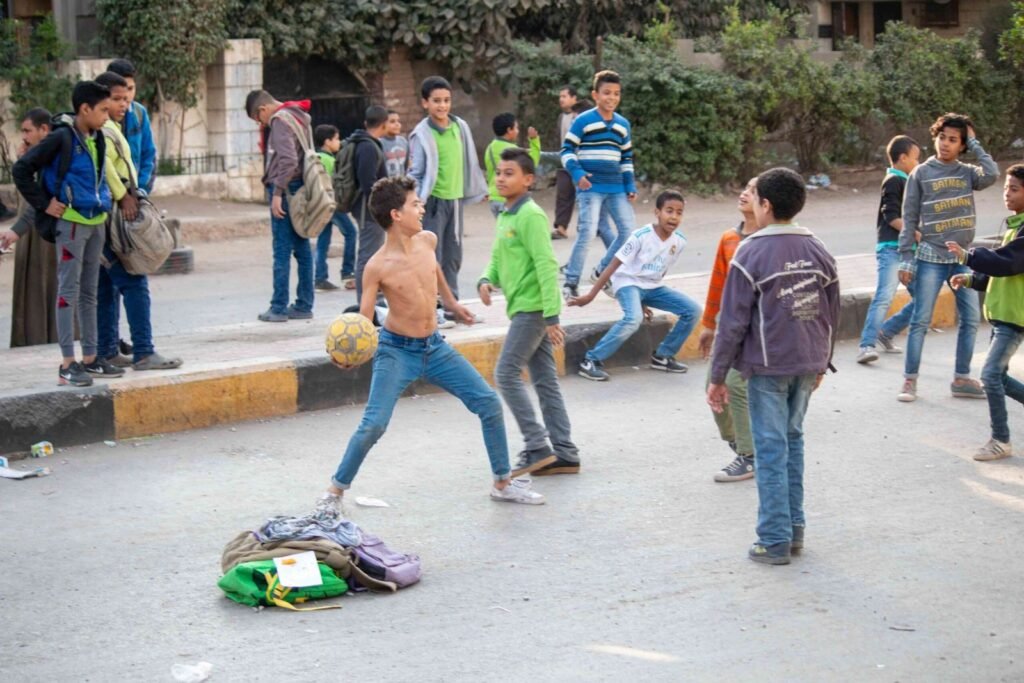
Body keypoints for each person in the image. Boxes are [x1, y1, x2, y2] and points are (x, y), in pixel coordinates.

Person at [316, 175, 546, 514]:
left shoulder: (428, 240)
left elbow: (434, 271)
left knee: (488, 403)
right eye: (415, 204)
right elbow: (364, 321)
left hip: (435, 348)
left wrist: (451, 304)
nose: (422, 208)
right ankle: (333, 492)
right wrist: (350, 356)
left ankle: (502, 483)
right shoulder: (376, 266)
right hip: (396, 351)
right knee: (374, 424)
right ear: (396, 215)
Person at [707, 168, 839, 566]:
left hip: (766, 367)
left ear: (765, 205)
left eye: (755, 197)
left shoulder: (750, 252)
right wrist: (823, 362)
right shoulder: (818, 249)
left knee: (769, 450)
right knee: (792, 441)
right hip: (807, 363)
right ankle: (794, 530)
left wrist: (717, 377)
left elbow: (732, 323)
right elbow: (831, 313)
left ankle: (773, 539)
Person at [479, 147, 581, 477]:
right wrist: (486, 279)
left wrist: (552, 317)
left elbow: (546, 265)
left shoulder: (531, 215)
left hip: (533, 309)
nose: (501, 178)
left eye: (509, 173)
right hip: (522, 307)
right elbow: (498, 256)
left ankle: (537, 445)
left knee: (505, 374)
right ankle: (564, 452)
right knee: (545, 381)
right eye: (498, 173)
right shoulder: (506, 214)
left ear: (528, 180)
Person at [13, 81, 114, 387]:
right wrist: (45, 204)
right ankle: (67, 364)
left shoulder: (97, 137)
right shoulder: (61, 138)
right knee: (68, 292)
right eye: (103, 110)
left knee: (89, 292)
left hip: (96, 220)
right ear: (85, 109)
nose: (107, 116)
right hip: (70, 224)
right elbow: (21, 170)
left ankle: (91, 358)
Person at [896, 112, 998, 402]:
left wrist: (975, 143)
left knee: (971, 318)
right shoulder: (921, 173)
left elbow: (992, 174)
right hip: (930, 256)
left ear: (962, 145)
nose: (945, 144)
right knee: (920, 320)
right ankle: (909, 380)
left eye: (953, 140)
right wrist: (906, 258)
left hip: (962, 258)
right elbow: (909, 217)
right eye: (942, 137)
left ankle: (961, 378)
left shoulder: (967, 173)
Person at [93, 71, 182, 372]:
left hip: (106, 219)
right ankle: (143, 351)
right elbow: (106, 167)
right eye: (116, 99)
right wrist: (124, 196)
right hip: (112, 220)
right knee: (134, 282)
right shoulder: (103, 130)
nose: (124, 104)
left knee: (107, 287)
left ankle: (107, 351)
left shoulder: (110, 126)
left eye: (126, 98)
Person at [569, 189, 701, 381]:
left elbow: (661, 270)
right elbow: (612, 265)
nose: (674, 217)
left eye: (679, 212)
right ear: (657, 212)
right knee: (633, 319)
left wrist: (643, 301)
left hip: (652, 287)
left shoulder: (679, 241)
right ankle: (591, 360)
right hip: (627, 282)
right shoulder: (641, 236)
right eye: (669, 211)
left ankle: (663, 356)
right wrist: (590, 296)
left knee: (693, 310)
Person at [947, 164, 1024, 462]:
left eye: (1014, 189)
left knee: (989, 375)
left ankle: (1000, 440)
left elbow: (1007, 263)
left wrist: (969, 257)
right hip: (1003, 314)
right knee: (999, 377)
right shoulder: (1016, 226)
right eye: (1006, 188)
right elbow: (1002, 272)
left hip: (1014, 318)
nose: (1007, 193)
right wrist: (971, 279)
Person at [698, 178, 760, 483]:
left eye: (753, 191)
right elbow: (717, 284)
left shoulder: (770, 240)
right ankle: (739, 442)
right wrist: (709, 325)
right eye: (744, 188)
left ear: (766, 202)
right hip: (727, 326)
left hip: (756, 329)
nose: (744, 193)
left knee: (734, 385)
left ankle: (749, 456)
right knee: (712, 384)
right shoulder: (728, 239)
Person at [408, 76, 488, 302]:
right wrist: (414, 201)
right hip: (432, 201)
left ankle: (451, 302)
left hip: (455, 200)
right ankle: (432, 303)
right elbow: (416, 171)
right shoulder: (421, 133)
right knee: (432, 255)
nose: (442, 105)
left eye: (446, 100)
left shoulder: (460, 127)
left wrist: (478, 188)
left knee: (453, 254)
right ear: (425, 103)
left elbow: (470, 161)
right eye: (436, 101)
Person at [560, 70, 636, 300]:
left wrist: (630, 184)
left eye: (616, 93)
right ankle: (571, 282)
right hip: (590, 187)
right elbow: (566, 150)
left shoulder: (623, 125)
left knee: (628, 233)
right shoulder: (583, 120)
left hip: (616, 188)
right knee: (587, 233)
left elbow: (626, 158)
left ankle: (602, 272)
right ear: (595, 95)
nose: (611, 98)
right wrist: (577, 173)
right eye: (606, 93)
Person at [245, 89, 314, 323]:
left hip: (286, 191)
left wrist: (277, 192)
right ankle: (304, 304)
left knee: (282, 250)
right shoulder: (298, 115)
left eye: (258, 119)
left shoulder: (279, 121)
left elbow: (288, 160)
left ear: (262, 109)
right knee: (302, 248)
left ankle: (278, 307)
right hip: (300, 187)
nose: (261, 124)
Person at [856, 136, 921, 365]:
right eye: (915, 158)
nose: (918, 163)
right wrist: (916, 233)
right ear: (902, 158)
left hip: (910, 250)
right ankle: (866, 346)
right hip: (892, 248)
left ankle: (887, 331)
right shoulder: (894, 180)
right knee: (884, 296)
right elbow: (891, 216)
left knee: (924, 297)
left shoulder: (909, 181)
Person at [1, 108, 57, 347]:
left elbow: (41, 199)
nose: (24, 136)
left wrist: (17, 230)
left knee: (46, 283)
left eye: (27, 131)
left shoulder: (51, 156)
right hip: (29, 231)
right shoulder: (33, 156)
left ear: (44, 129)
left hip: (43, 231)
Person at [348, 106, 389, 304]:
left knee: (374, 255)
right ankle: (366, 304)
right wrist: (380, 207)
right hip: (369, 211)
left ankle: (373, 301)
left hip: (368, 210)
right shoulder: (368, 147)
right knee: (368, 257)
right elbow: (368, 183)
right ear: (384, 124)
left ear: (366, 123)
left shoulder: (366, 144)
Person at [312, 124, 357, 292]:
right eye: (336, 139)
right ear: (327, 141)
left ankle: (320, 278)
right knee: (351, 233)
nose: (339, 142)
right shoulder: (330, 160)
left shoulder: (314, 157)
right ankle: (348, 272)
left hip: (320, 205)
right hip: (332, 204)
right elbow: (336, 183)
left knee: (323, 240)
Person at [106, 58, 157, 194]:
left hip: (136, 192)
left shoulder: (139, 113)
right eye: (120, 92)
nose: (127, 96)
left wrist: (141, 191)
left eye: (130, 89)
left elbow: (149, 155)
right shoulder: (99, 117)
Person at [483, 112, 540, 217]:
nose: (518, 131)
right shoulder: (512, 150)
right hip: (507, 197)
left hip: (494, 197)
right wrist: (534, 141)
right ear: (509, 130)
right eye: (516, 128)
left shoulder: (489, 148)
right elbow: (531, 163)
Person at [551, 85, 579, 240]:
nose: (561, 99)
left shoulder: (582, 116)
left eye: (564, 96)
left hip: (581, 163)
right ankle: (561, 228)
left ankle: (596, 226)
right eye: (560, 96)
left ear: (574, 98)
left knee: (587, 196)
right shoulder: (561, 117)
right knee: (563, 194)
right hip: (563, 161)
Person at [381, 110, 408, 178]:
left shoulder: (403, 141)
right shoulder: (379, 143)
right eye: (392, 121)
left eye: (398, 121)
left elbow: (407, 166)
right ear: (382, 124)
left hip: (402, 183)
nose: (397, 124)